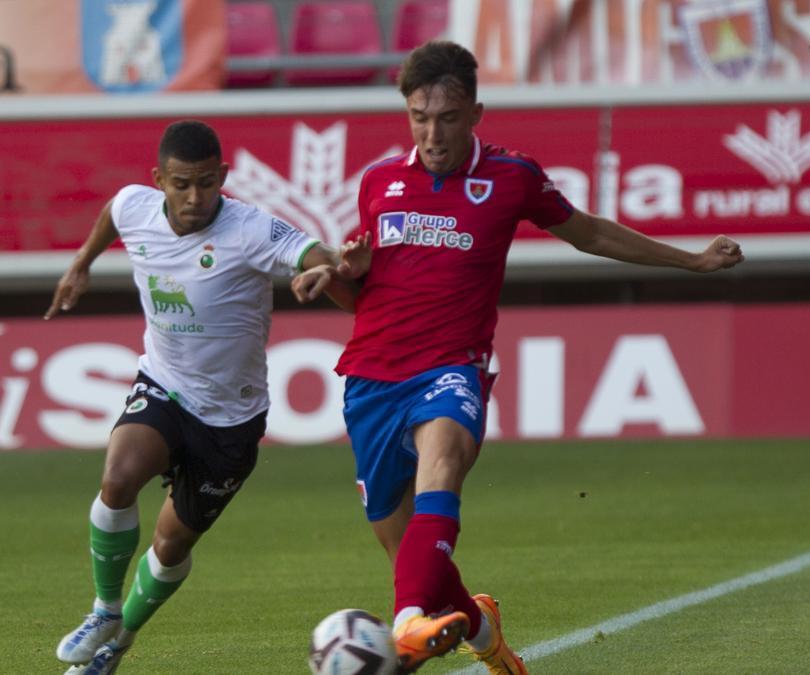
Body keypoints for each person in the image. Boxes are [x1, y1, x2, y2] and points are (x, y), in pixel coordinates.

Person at [290, 40, 744, 673]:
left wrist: (690, 259)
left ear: (475, 113)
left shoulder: (511, 176)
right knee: (415, 561)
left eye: (446, 117)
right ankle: (483, 633)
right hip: (370, 376)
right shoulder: (378, 182)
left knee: (442, 462)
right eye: (419, 116)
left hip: (452, 367)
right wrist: (337, 276)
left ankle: (402, 626)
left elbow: (590, 232)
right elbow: (360, 297)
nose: (432, 132)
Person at [47, 120, 353, 674]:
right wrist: (81, 264)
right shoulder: (136, 207)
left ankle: (121, 641)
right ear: (159, 179)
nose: (195, 197)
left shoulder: (251, 230)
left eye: (207, 183)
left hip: (230, 420)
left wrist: (327, 269)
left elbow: (316, 253)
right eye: (182, 184)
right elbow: (113, 212)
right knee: (117, 478)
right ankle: (103, 610)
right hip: (164, 386)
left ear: (224, 177)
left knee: (169, 547)